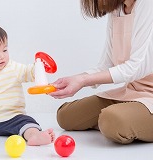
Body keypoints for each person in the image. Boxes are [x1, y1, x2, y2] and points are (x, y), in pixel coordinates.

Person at [49, 0, 153, 144]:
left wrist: (84, 81)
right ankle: (129, 121)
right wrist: (77, 79)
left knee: (112, 120)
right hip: (133, 92)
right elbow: (106, 64)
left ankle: (124, 122)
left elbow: (135, 67)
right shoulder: (117, 9)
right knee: (66, 116)